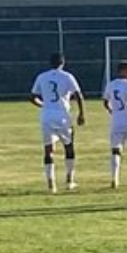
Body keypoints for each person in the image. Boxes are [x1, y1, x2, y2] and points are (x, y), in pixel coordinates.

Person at [30, 52, 86, 193]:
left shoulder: (42, 77)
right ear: (63, 63)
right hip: (62, 115)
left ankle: (51, 184)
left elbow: (32, 97)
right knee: (69, 146)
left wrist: (44, 105)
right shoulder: (67, 77)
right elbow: (78, 95)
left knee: (48, 150)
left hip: (47, 116)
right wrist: (81, 113)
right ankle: (69, 180)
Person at [102, 60, 127, 188]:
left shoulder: (111, 84)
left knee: (115, 151)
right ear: (123, 71)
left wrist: (111, 110)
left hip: (116, 121)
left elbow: (105, 101)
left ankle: (115, 179)